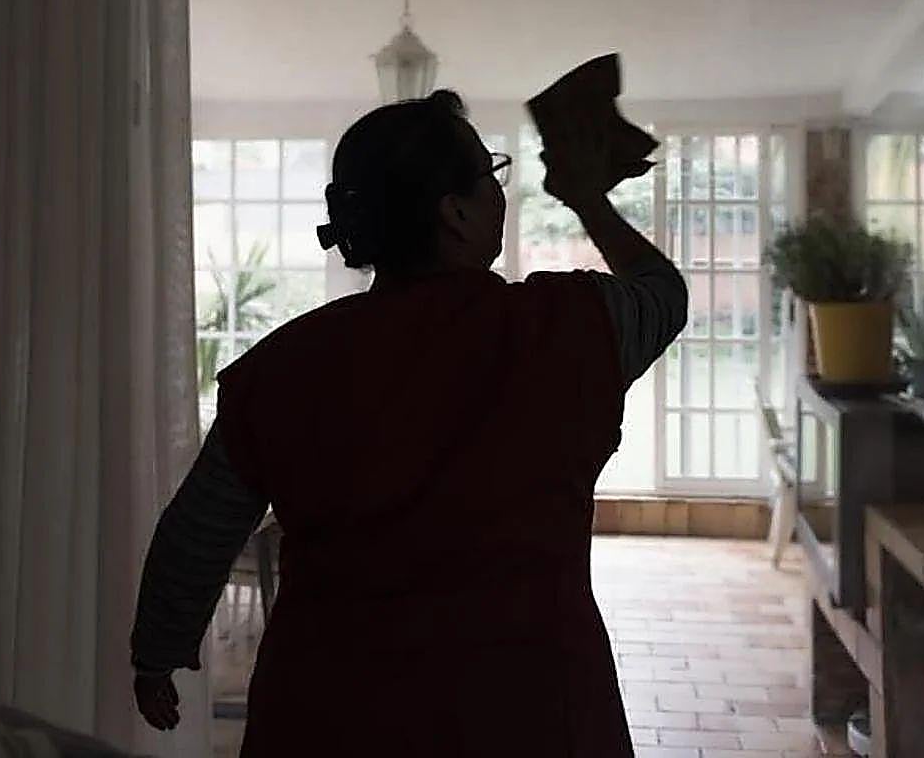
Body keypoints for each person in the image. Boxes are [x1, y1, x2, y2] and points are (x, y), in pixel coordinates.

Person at [130, 90, 687, 756]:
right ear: (455, 213)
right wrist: (587, 199)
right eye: (490, 175)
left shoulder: (280, 368)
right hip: (530, 709)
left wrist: (157, 654)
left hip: (328, 718)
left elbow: (198, 529)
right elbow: (664, 294)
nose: (499, 193)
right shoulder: (568, 327)